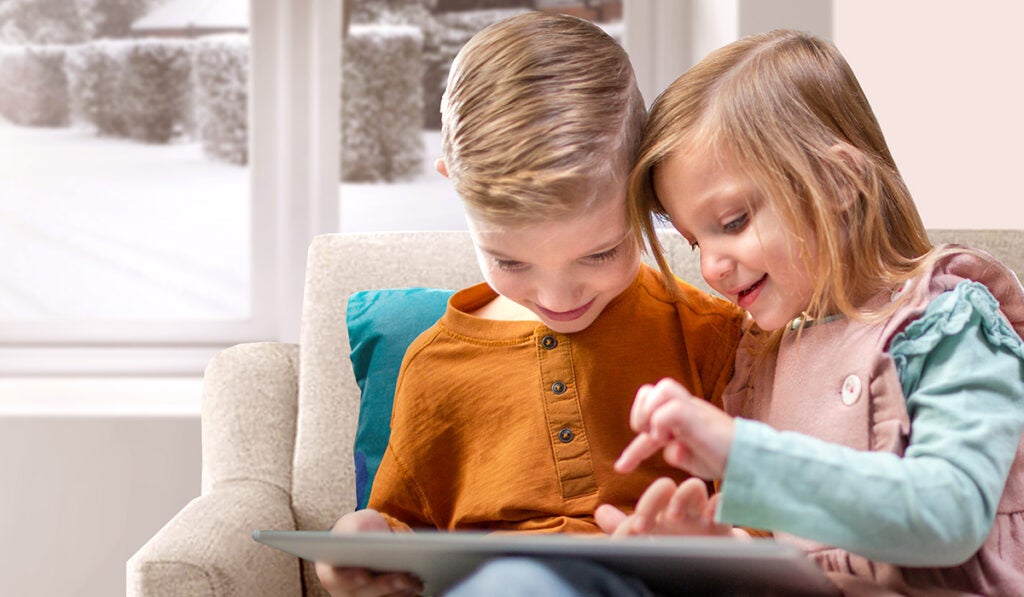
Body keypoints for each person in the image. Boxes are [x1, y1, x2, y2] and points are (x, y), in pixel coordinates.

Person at [451, 28, 1024, 597]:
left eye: (732, 223)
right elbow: (799, 560)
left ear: (839, 180)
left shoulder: (948, 320)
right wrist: (710, 547)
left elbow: (948, 518)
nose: (712, 269)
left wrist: (739, 451)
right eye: (694, 242)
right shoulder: (761, 358)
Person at [315, 12, 746, 597]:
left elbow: (777, 521)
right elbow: (404, 531)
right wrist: (360, 539)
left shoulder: (711, 336)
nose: (557, 297)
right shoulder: (433, 366)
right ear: (455, 188)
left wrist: (722, 544)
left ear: (645, 188)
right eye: (512, 263)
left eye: (598, 254)